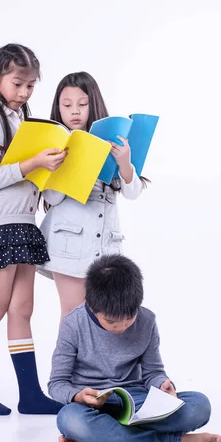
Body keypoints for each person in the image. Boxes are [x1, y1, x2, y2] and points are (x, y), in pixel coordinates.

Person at [0, 43, 66, 416]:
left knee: (23, 307)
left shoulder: (21, 118)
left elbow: (21, 174)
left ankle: (30, 395)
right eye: (18, 83)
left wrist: (47, 168)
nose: (24, 93)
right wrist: (33, 162)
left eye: (31, 86)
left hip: (22, 222)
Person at [48, 254, 221, 442]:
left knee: (199, 406)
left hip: (137, 403)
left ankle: (101, 440)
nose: (122, 327)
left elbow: (153, 372)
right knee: (69, 420)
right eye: (111, 321)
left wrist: (162, 383)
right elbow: (57, 384)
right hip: (91, 407)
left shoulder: (147, 320)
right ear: (91, 305)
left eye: (129, 319)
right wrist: (78, 396)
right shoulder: (73, 324)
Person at [38, 72, 146, 320]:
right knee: (74, 317)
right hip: (68, 243)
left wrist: (125, 163)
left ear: (93, 104)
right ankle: (67, 362)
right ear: (58, 108)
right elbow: (52, 198)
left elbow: (132, 193)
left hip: (105, 243)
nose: (74, 111)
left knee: (107, 319)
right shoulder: (54, 145)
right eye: (67, 105)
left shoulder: (113, 141)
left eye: (82, 104)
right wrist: (69, 163)